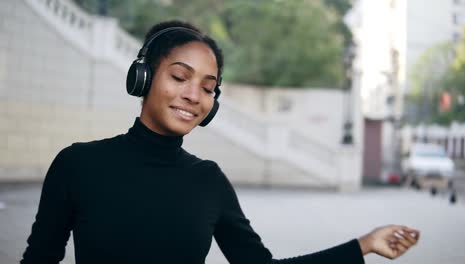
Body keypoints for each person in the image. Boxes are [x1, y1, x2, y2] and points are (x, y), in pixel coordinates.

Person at [20, 20, 419, 264]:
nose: (194, 95)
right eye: (179, 77)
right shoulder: (78, 165)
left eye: (208, 88)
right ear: (143, 78)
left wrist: (363, 246)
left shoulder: (208, 181)